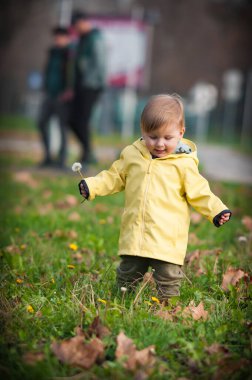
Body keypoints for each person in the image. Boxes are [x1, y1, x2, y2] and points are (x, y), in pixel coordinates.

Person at [78, 94, 231, 303]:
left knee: (168, 277)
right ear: (142, 131)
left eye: (167, 138)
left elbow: (200, 191)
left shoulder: (183, 164)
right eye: (152, 136)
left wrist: (216, 210)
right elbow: (114, 177)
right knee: (128, 272)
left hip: (167, 237)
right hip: (136, 233)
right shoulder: (132, 155)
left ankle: (169, 307)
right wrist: (92, 185)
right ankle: (121, 302)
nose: (159, 144)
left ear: (180, 133)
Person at [71, 11, 106, 166]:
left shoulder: (95, 39)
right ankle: (87, 151)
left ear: (84, 22)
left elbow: (100, 64)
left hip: (91, 86)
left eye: (78, 25)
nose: (77, 29)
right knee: (73, 120)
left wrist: (96, 85)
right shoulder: (82, 40)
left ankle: (88, 154)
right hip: (80, 86)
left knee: (83, 120)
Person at [38, 26, 73, 169]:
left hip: (62, 97)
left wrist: (68, 90)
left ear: (66, 38)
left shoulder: (70, 54)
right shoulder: (52, 53)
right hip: (49, 95)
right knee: (41, 122)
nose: (57, 39)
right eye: (56, 37)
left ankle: (62, 159)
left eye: (60, 36)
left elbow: (72, 75)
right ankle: (47, 157)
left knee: (62, 127)